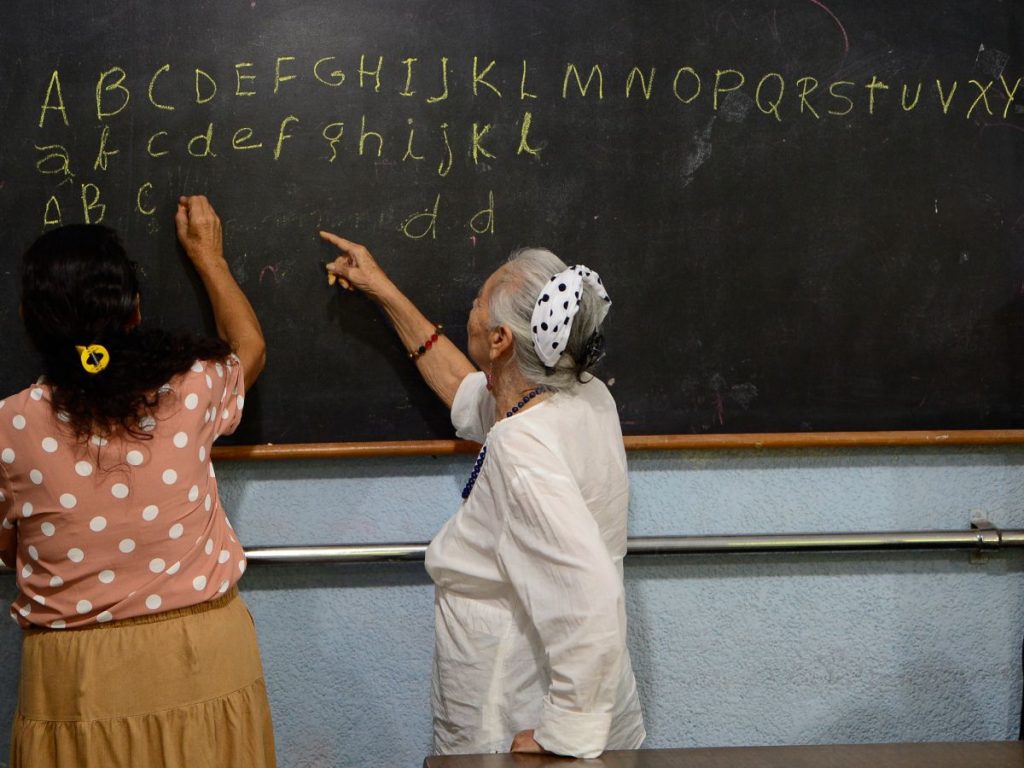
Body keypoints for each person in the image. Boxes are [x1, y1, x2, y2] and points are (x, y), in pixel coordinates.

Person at [321, 231, 645, 758]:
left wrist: (562, 732)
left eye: (475, 304)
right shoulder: (581, 395)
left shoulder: (522, 442)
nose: (468, 307)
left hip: (513, 697)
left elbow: (590, 595)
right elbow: (466, 388)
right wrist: (381, 289)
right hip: (565, 686)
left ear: (499, 342)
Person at [0, 196, 275, 767]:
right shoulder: (191, 389)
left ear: (30, 320)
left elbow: (9, 547)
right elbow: (249, 348)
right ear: (134, 313)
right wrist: (209, 258)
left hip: (76, 683)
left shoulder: (9, 427)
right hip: (202, 659)